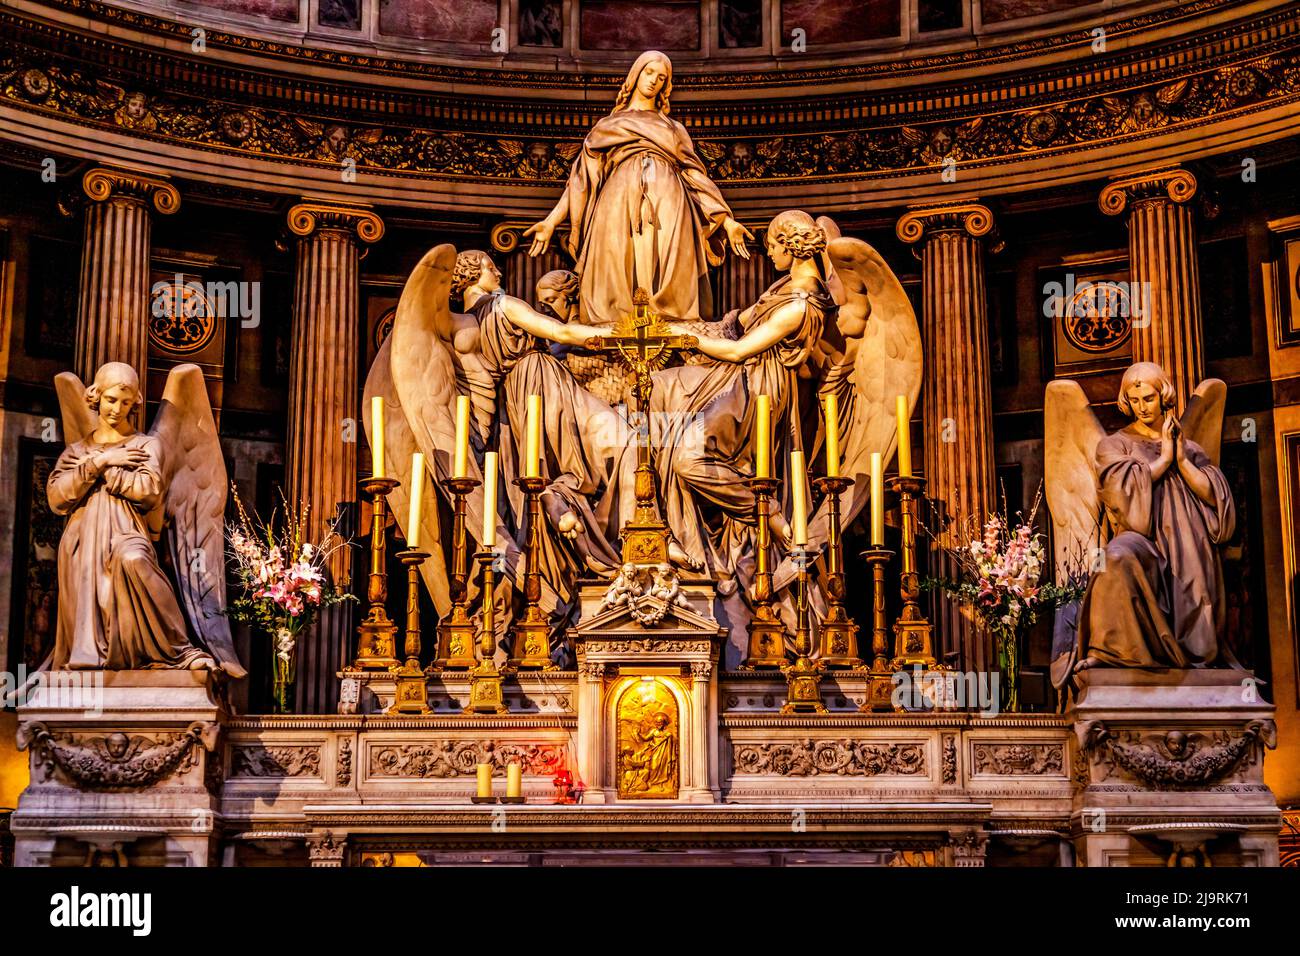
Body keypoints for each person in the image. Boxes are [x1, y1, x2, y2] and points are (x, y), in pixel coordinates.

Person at [646, 210, 833, 578]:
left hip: (757, 390)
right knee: (657, 388)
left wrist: (684, 338)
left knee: (688, 460)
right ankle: (660, 525)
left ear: (791, 247)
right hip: (734, 377)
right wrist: (672, 325)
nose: (770, 254)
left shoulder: (800, 305)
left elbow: (739, 349)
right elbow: (733, 327)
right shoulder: (781, 290)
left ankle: (772, 515)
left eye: (773, 246)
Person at [523, 50, 753, 327]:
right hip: (618, 200)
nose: (654, 81)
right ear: (635, 74)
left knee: (667, 261)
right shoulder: (607, 126)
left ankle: (669, 323)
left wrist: (726, 222)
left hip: (669, 199)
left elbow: (694, 175)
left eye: (662, 77)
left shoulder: (674, 128)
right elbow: (580, 181)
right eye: (649, 72)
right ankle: (615, 324)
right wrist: (550, 222)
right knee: (617, 263)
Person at [46, 363, 215, 670]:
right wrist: (102, 460)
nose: (117, 408)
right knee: (91, 577)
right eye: (111, 399)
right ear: (97, 397)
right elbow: (57, 497)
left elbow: (150, 491)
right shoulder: (78, 450)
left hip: (125, 531)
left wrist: (108, 473)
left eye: (126, 402)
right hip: (83, 543)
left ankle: (178, 648)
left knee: (134, 559)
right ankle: (94, 658)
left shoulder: (145, 445)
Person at [1077, 362, 1236, 670]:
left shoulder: (1189, 447)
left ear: (1163, 395)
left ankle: (1191, 655)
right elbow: (1117, 493)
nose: (1141, 407)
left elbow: (1217, 497)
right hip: (1142, 540)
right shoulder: (1113, 445)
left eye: (1148, 398)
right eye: (1134, 400)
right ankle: (1110, 650)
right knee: (1114, 557)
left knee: (1195, 588)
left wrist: (1180, 459)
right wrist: (1163, 459)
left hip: (1187, 541)